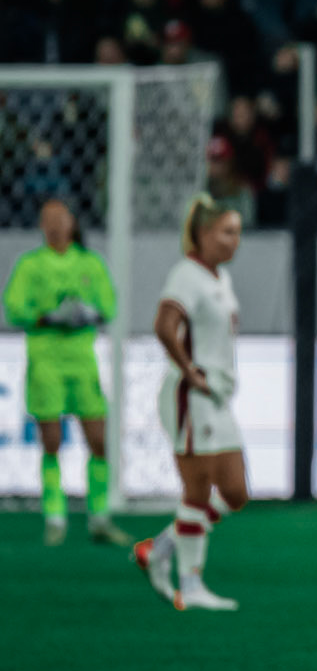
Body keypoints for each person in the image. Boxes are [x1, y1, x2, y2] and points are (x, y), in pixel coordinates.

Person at [133, 196, 247, 612]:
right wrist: (190, 371)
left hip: (216, 397)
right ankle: (190, 583)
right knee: (197, 490)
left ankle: (159, 549)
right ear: (202, 234)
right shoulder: (187, 274)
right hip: (191, 396)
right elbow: (165, 326)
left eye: (237, 232)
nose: (235, 241)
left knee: (234, 491)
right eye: (227, 232)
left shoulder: (220, 278)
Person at [2, 198, 123, 546]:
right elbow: (13, 308)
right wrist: (45, 316)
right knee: (51, 441)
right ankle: (55, 517)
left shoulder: (89, 264)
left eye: (60, 219)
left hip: (82, 361)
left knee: (98, 440)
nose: (54, 225)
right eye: (47, 220)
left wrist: (89, 313)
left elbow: (109, 305)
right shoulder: (30, 265)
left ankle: (99, 517)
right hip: (46, 361)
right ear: (41, 226)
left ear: (72, 222)